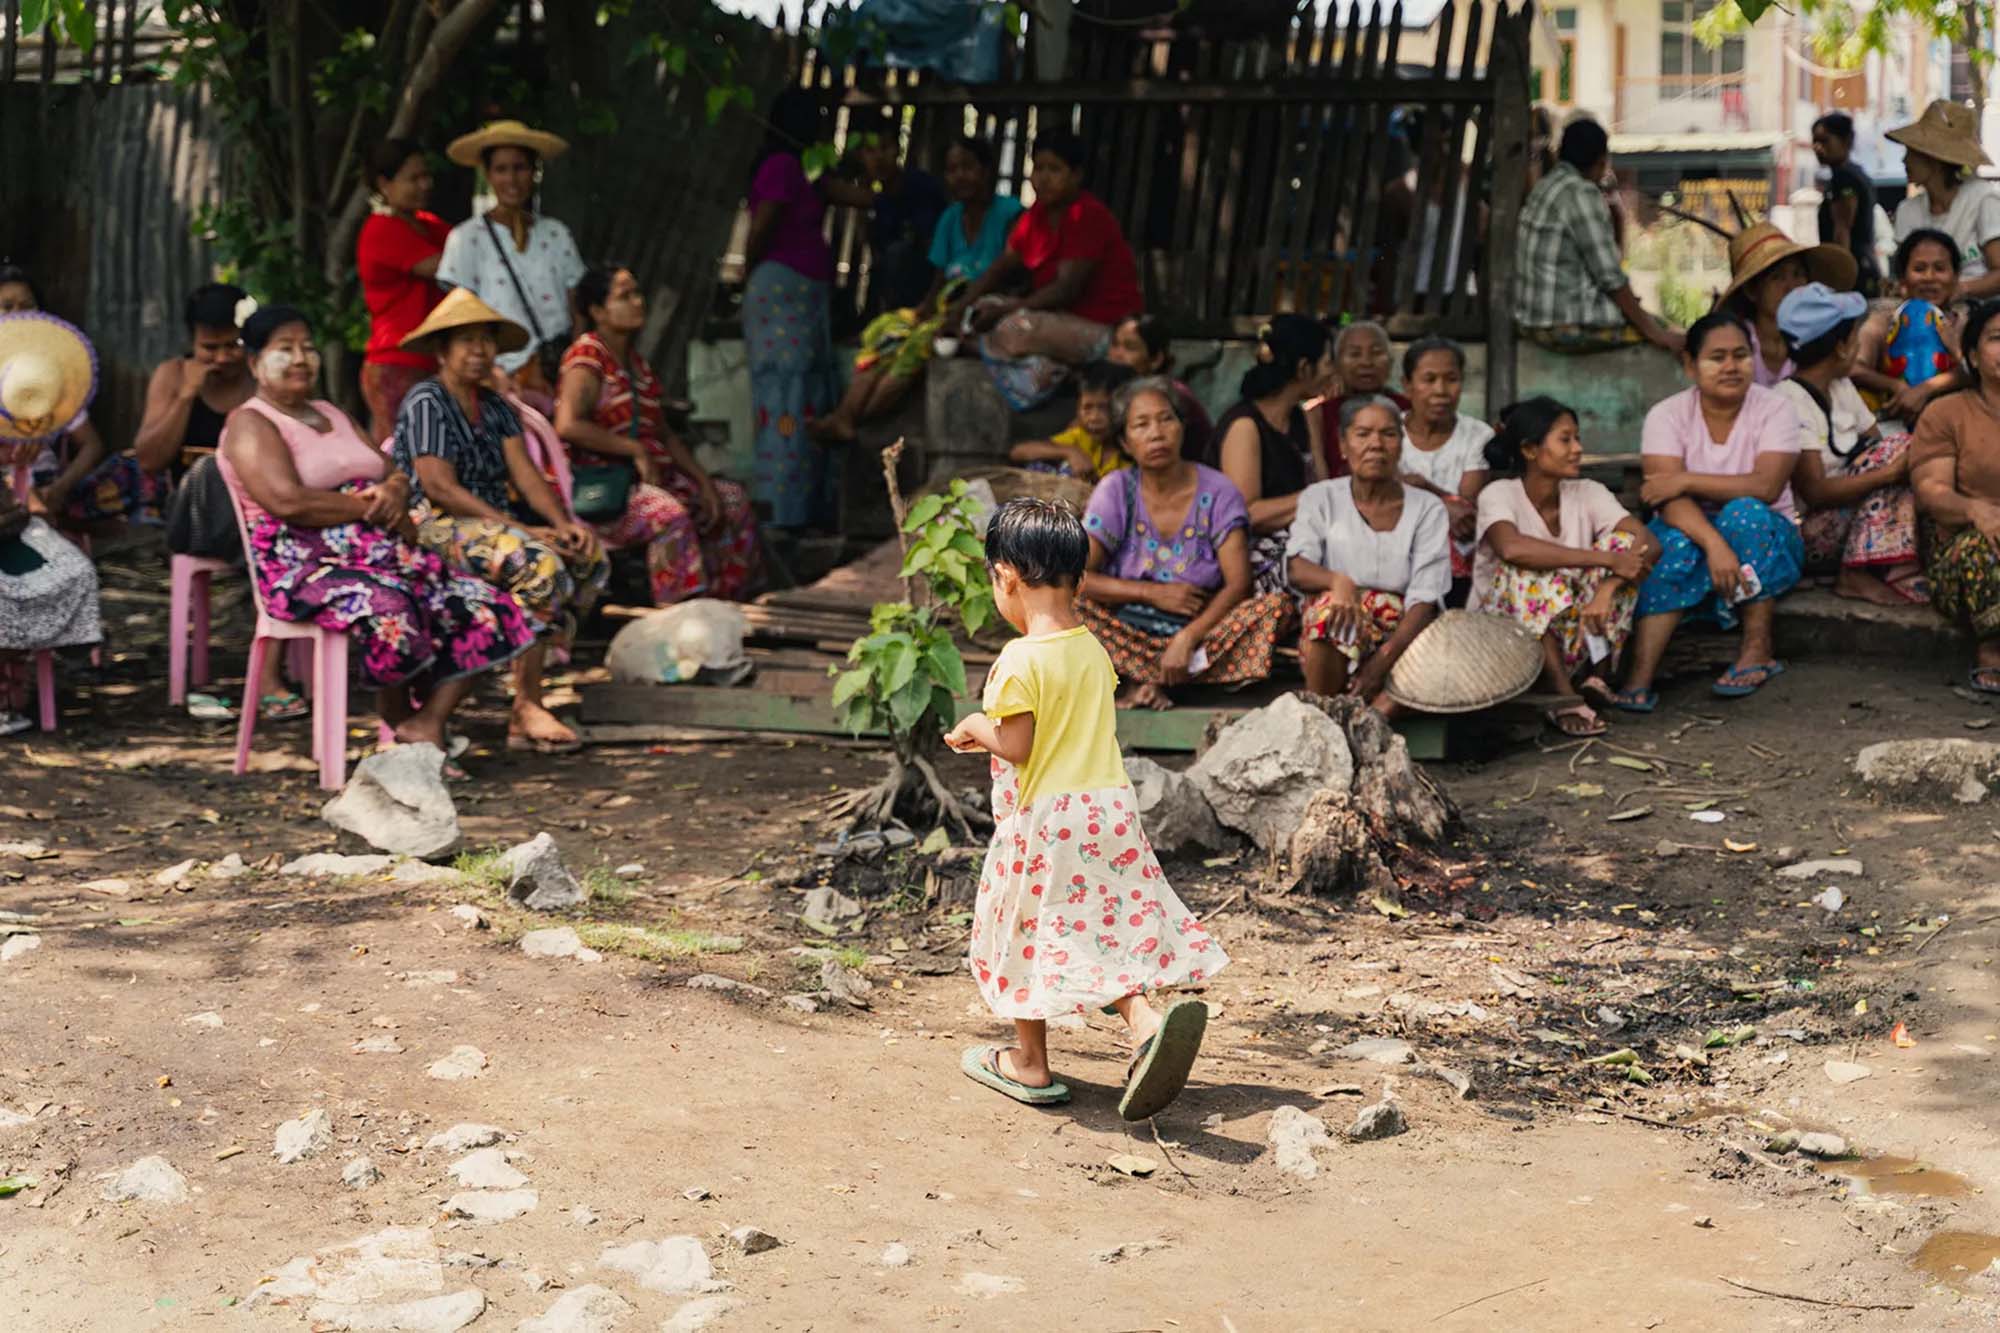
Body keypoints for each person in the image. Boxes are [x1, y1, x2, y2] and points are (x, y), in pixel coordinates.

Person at [943, 495, 1225, 1117]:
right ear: (1080, 578)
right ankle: (1145, 1023)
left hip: (1043, 821)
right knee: (1094, 924)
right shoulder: (1093, 650)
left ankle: (1030, 1063)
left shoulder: (1018, 659)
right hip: (1107, 814)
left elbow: (1017, 744)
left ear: (1006, 577)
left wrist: (973, 724)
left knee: (1023, 929)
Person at [217, 305, 538, 768]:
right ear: (255, 363)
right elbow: (288, 502)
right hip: (303, 566)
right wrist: (371, 505)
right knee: (394, 605)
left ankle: (425, 722)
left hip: (383, 550)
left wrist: (392, 488)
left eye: (307, 347)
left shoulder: (330, 411)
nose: (301, 358)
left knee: (484, 602)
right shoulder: (252, 422)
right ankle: (397, 719)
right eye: (284, 350)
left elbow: (394, 470)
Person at [392, 289, 609, 752]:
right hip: (433, 526)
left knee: (589, 557)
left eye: (485, 340)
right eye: (466, 341)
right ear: (442, 350)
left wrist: (561, 520)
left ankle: (527, 691)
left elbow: (527, 474)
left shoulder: (495, 407)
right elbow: (439, 488)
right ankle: (526, 703)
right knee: (538, 565)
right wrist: (523, 531)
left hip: (491, 526)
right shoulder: (426, 400)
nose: (478, 351)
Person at [1617, 312, 1805, 709]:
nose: (1731, 366)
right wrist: (1714, 544)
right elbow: (1664, 498)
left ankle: (1758, 649)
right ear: (1689, 364)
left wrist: (1686, 479)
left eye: (1740, 355)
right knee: (1673, 544)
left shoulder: (1777, 409)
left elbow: (1765, 487)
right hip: (1692, 530)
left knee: (1745, 514)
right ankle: (1640, 676)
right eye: (1716, 357)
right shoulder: (1666, 415)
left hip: (1769, 536)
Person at [1075, 377, 1297, 710]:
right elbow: (1078, 575)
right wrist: (1151, 593)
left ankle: (1148, 680)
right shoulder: (1116, 489)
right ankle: (1164, 680)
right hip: (1127, 630)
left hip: (1202, 632)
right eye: (1141, 424)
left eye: (1166, 419)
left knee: (1274, 608)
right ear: (1124, 441)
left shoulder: (1219, 491)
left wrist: (1187, 638)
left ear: (1182, 427)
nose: (1156, 433)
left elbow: (1239, 584)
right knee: (1060, 602)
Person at [557, 266, 760, 604]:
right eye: (625, 296)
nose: (638, 302)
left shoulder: (638, 365)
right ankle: (676, 614)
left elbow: (664, 434)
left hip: (656, 481)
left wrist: (703, 482)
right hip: (609, 494)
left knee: (732, 501)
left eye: (637, 293)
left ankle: (725, 604)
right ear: (597, 311)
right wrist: (633, 449)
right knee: (669, 515)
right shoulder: (587, 357)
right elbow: (567, 424)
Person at [810, 135, 1024, 444]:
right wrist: (923, 309)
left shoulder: (1010, 213)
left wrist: (959, 308)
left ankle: (851, 417)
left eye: (968, 167)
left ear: (987, 170)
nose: (959, 176)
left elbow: (1009, 273)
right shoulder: (951, 218)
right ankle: (847, 416)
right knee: (885, 332)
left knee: (916, 345)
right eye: (952, 170)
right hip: (947, 305)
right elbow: (939, 275)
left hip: (984, 310)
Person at [1472, 396, 1658, 737]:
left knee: (1623, 542)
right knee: (1529, 572)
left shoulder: (1587, 491)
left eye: (1577, 438)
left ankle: (1596, 676)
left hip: (1575, 632)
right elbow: (1511, 548)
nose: (1577, 448)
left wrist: (1608, 586)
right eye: (1565, 439)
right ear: (1530, 450)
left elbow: (1648, 541)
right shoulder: (1499, 494)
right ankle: (1563, 696)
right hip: (1507, 639)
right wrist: (1605, 560)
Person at [959, 128, 1144, 410]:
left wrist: (1009, 310)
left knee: (1016, 327)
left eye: (1054, 170)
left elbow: (1066, 290)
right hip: (1058, 321)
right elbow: (1001, 266)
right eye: (1038, 168)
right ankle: (1052, 364)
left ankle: (1032, 363)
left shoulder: (1087, 215)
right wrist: (960, 308)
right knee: (985, 306)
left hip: (1105, 331)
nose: (1043, 178)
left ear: (1076, 175)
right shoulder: (1037, 216)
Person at [1287, 396, 1450, 712]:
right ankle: (1323, 715)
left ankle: (1370, 717)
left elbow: (1425, 597)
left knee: (1435, 649)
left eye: (1388, 434)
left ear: (1401, 446)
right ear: (1343, 445)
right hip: (1339, 625)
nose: (1376, 444)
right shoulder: (1320, 498)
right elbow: (1297, 567)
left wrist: (1384, 658)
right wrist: (1339, 582)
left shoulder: (1427, 508)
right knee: (1329, 613)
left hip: (1404, 634)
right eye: (1363, 434)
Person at [1777, 282, 1926, 606]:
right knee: (1897, 451)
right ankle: (1853, 576)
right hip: (1810, 533)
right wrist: (1886, 475)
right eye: (1855, 339)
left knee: (1904, 449)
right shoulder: (1788, 401)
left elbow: (1873, 441)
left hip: (1851, 517)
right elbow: (1814, 490)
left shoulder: (1841, 386)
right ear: (1842, 348)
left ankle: (1884, 567)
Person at [0, 312, 102, 735]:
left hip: (18, 522)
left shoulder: (49, 400)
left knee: (75, 569)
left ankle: (50, 655)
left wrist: (37, 494)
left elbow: (92, 447)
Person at [434, 120, 585, 408]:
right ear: (488, 175)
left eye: (520, 168)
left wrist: (575, 365)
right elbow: (459, 317)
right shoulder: (466, 239)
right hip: (499, 375)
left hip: (558, 369)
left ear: (534, 172)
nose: (512, 179)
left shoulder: (556, 233)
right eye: (501, 169)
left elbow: (576, 307)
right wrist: (487, 370)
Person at [743, 89, 839, 530]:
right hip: (781, 295)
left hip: (798, 298)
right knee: (785, 401)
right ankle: (782, 515)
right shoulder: (782, 166)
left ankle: (799, 509)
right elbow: (763, 226)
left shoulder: (805, 168)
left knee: (802, 401)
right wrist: (748, 268)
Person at [1514, 118, 1683, 353]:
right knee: (1664, 331)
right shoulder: (1581, 193)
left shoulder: (1547, 185)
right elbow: (1610, 278)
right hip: (1562, 324)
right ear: (1602, 161)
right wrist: (1655, 333)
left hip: (1532, 318)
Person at [2, 267, 136, 531]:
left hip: (47, 482)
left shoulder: (49, 376)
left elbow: (91, 445)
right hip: (4, 486)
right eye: (6, 306)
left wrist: (58, 489)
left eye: (27, 306)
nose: (19, 313)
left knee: (131, 468)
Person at [1911, 298, 2000, 690]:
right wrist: (1974, 509)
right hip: (1966, 551)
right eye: (1997, 338)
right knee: (1981, 548)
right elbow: (1932, 492)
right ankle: (1992, 651)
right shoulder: (1945, 414)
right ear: (1973, 356)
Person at [1209, 314, 1331, 595]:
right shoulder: (1245, 425)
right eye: (1327, 362)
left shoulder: (1302, 418)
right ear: (1304, 368)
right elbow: (1247, 514)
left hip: (1298, 540)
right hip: (1247, 555)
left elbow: (1319, 483)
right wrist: (1324, 496)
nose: (1332, 371)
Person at [357, 138, 450, 443]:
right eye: (413, 178)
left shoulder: (429, 223)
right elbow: (446, 267)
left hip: (431, 358)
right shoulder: (381, 229)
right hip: (396, 363)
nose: (425, 185)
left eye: (427, 176)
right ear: (385, 184)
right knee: (403, 454)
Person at [1397, 335, 1494, 594]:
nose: (1440, 391)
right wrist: (1440, 501)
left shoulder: (1477, 435)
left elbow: (1464, 511)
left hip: (1455, 560)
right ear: (1407, 386)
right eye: (1429, 380)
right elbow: (1377, 491)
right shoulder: (1387, 430)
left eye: (1451, 379)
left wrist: (1420, 486)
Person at [1720, 221, 1857, 387]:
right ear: (1752, 291)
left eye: (1798, 274)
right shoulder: (1736, 343)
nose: (1791, 287)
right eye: (1777, 277)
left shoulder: (1819, 338)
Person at [1887, 100, 2000, 301]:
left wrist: (1960, 290)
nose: (1904, 161)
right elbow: (1903, 273)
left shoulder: (1982, 198)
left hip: (1977, 314)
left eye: (1911, 154)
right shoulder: (1907, 210)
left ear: (1934, 160)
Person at [1852, 228, 1965, 427]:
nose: (1929, 277)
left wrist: (1928, 387)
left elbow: (1984, 373)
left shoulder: (1967, 325)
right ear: (1903, 279)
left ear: (1955, 277)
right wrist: (1897, 386)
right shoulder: (1883, 323)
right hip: (1892, 430)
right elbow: (1853, 368)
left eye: (1940, 268)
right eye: (1919, 269)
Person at [1106, 313, 1212, 460]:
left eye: (1129, 348)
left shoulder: (1172, 395)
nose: (1116, 355)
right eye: (1115, 345)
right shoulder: (1114, 391)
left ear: (1155, 359)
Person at [1008, 359, 1133, 479]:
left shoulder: (1132, 451)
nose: (1094, 417)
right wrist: (1070, 451)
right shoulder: (1080, 438)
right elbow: (1018, 452)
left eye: (1105, 408)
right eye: (1087, 408)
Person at [1316, 321, 1408, 479]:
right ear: (1337, 364)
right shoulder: (1319, 414)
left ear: (1391, 362)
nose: (1366, 362)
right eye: (1354, 354)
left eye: (1376, 353)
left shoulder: (1407, 408)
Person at [1813, 112, 1881, 293]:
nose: (1818, 148)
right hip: (1861, 267)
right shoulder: (1853, 173)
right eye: (1815, 141)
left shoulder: (1844, 178)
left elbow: (1842, 230)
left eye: (1825, 141)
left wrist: (1839, 277)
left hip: (1853, 274)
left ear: (1846, 141)